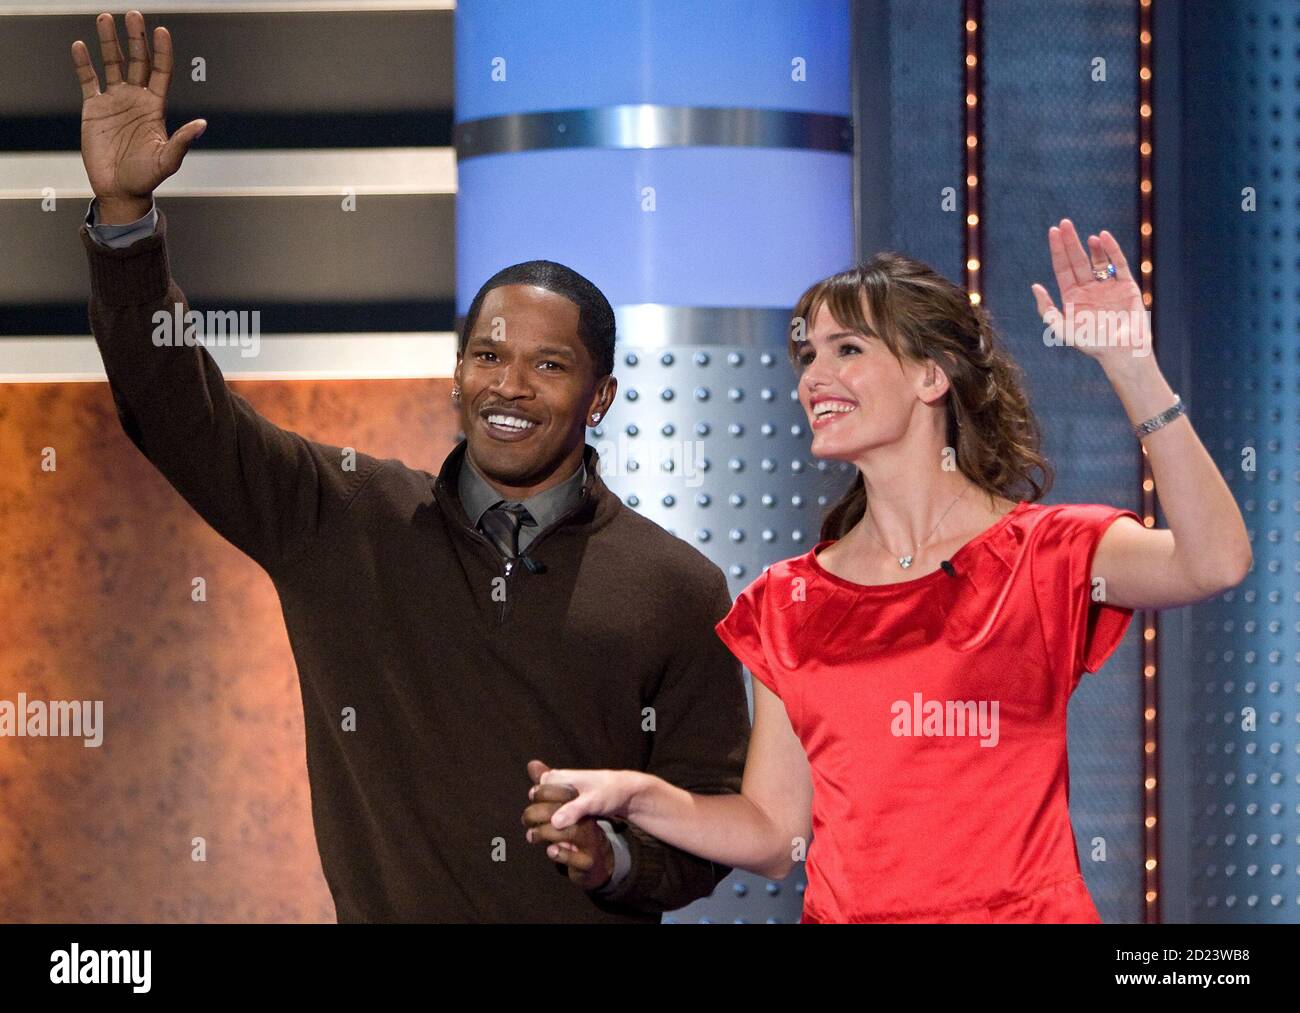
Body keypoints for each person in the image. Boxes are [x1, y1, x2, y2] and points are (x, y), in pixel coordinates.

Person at [71, 9, 749, 922]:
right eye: (488, 355)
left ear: (601, 397)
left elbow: (708, 824)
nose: (510, 385)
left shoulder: (679, 584)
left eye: (549, 365)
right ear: (458, 371)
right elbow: (171, 409)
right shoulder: (344, 516)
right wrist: (126, 224)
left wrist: (609, 858)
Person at [533, 225, 1253, 923]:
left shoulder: (1046, 552)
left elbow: (1215, 560)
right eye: (807, 354)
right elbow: (773, 833)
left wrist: (1133, 367)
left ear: (930, 375)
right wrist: (635, 795)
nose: (815, 377)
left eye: (846, 348)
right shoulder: (789, 599)